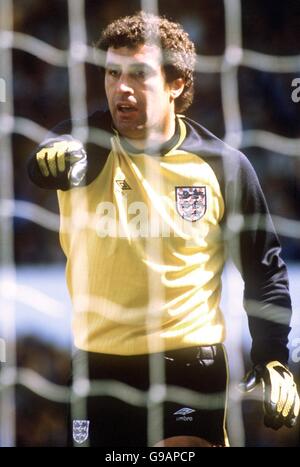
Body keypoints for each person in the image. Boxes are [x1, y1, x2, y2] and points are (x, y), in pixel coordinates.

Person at [28, 11, 299, 447]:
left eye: (139, 74)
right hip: (99, 365)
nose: (122, 88)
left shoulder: (223, 167)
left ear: (176, 84)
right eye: (112, 73)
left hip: (188, 362)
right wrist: (48, 156)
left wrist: (273, 358)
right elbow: (47, 162)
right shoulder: (84, 145)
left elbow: (264, 269)